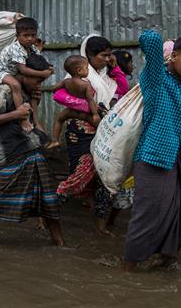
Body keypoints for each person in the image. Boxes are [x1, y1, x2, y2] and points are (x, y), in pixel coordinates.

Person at [0, 55, 64, 246]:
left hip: (30, 149)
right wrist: (15, 114)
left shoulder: (27, 93)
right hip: (9, 152)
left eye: (42, 81)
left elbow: (32, 121)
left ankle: (59, 242)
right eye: (37, 79)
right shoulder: (4, 91)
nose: (39, 84)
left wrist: (34, 104)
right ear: (24, 73)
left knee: (48, 198)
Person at [123, 31, 181, 272]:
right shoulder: (157, 80)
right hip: (152, 156)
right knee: (147, 215)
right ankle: (128, 270)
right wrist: (167, 48)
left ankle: (167, 259)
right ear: (174, 57)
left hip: (177, 158)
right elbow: (149, 39)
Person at [54, 35, 129, 236]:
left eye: (109, 55)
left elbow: (123, 91)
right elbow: (61, 98)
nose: (107, 59)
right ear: (89, 55)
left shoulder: (106, 77)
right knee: (80, 176)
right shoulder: (79, 78)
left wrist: (115, 68)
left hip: (104, 132)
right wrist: (92, 111)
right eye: (104, 55)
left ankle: (101, 226)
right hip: (82, 132)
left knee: (107, 178)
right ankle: (49, 211)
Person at [0, 17, 53, 132]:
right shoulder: (16, 49)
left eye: (33, 35)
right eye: (26, 35)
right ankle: (22, 118)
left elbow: (37, 62)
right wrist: (43, 73)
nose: (30, 39)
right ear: (17, 36)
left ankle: (36, 121)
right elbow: (24, 70)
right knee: (16, 86)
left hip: (16, 72)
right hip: (4, 72)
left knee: (33, 91)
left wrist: (49, 68)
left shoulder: (32, 48)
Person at [47, 55, 101, 149]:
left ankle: (55, 140)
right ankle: (103, 140)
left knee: (59, 119)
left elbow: (53, 88)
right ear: (79, 71)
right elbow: (90, 100)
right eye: (87, 68)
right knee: (99, 125)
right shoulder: (86, 84)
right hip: (84, 113)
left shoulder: (66, 81)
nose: (88, 70)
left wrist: (58, 92)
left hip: (70, 111)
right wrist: (95, 114)